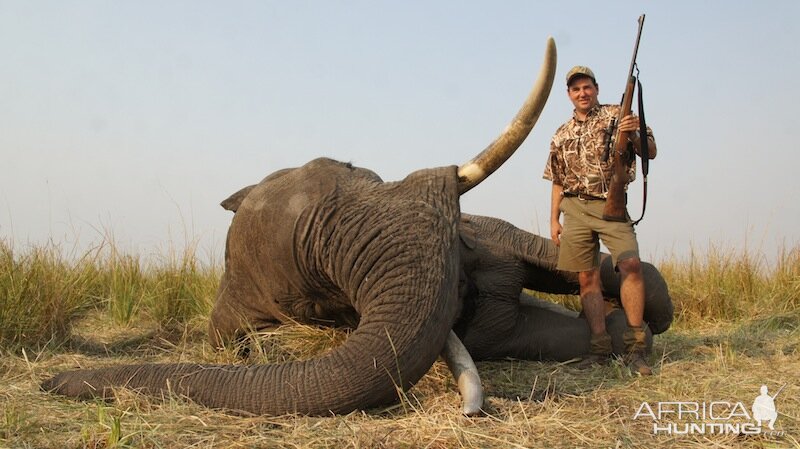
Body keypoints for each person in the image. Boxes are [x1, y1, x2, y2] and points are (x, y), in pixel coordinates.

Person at [542, 66, 658, 375]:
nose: (582, 93)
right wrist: (554, 218)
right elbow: (556, 179)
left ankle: (636, 349)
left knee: (631, 264)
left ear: (596, 89)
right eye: (576, 89)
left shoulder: (618, 115)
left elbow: (652, 152)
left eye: (587, 87)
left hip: (611, 205)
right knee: (586, 278)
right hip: (575, 209)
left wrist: (632, 132)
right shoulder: (560, 133)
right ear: (569, 95)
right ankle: (599, 349)